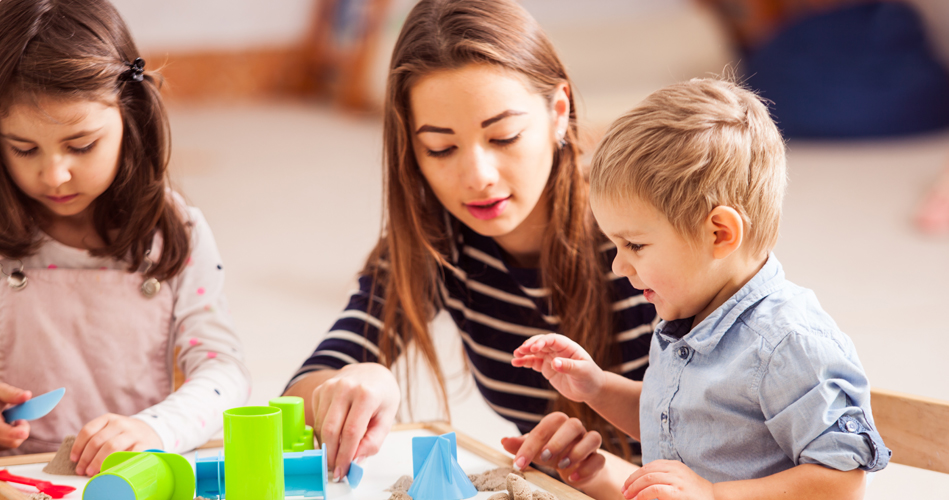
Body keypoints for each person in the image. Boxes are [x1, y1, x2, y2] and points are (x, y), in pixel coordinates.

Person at [283, 0, 656, 497]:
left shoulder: (642, 234)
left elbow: (735, 452)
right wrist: (359, 378)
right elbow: (302, 390)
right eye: (441, 148)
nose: (477, 177)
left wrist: (597, 472)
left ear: (558, 112)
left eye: (503, 136)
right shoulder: (439, 237)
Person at [513, 78, 890, 499]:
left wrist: (713, 495)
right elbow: (678, 423)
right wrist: (597, 387)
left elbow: (845, 479)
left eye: (634, 244)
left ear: (720, 233)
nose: (619, 266)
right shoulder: (689, 316)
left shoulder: (788, 343)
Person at [0, 0, 250, 476]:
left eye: (81, 145)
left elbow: (226, 374)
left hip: (134, 476)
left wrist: (157, 429)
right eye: (23, 148)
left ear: (131, 115)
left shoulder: (179, 231)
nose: (54, 174)